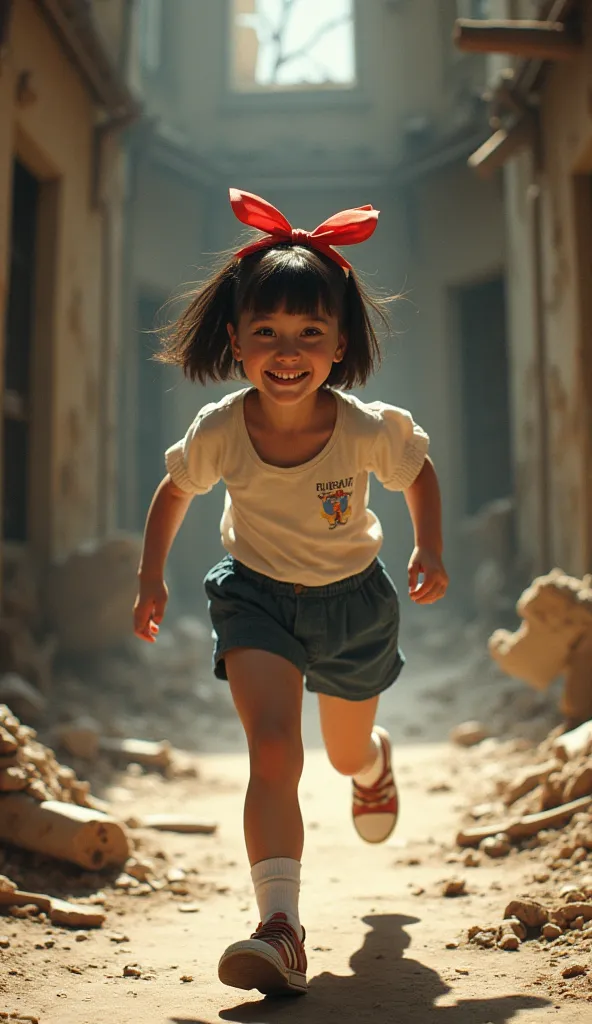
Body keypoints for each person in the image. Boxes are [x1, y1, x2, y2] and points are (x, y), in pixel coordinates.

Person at [133, 188, 449, 997]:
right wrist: (151, 581)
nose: (287, 350)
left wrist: (430, 550)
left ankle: (372, 764)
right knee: (273, 749)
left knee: (342, 751)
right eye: (267, 331)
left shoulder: (366, 427)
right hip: (256, 599)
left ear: (340, 342)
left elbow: (419, 475)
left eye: (310, 332)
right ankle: (281, 926)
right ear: (235, 339)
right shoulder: (219, 430)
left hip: (353, 604)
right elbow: (174, 494)